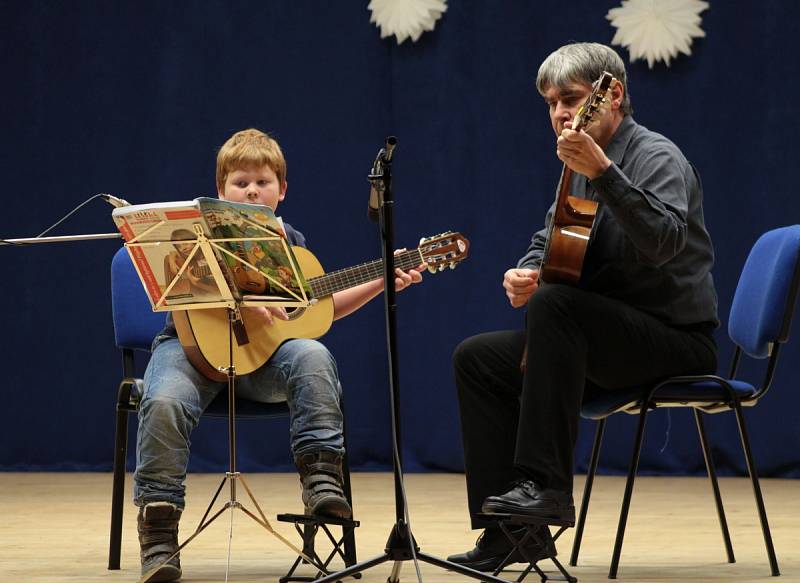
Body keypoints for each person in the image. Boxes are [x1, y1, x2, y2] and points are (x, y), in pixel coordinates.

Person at [447, 42, 719, 571]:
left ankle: (545, 489)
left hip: (674, 340)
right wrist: (526, 271)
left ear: (611, 94)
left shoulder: (655, 156)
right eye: (550, 103)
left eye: (570, 99)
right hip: (598, 339)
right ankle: (510, 535)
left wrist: (604, 174)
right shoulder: (576, 167)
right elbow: (550, 239)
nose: (559, 113)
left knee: (557, 306)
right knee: (477, 359)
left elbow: (664, 242)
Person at [134, 128, 426, 582]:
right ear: (220, 190)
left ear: (282, 190)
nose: (252, 190)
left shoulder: (290, 242)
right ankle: (158, 535)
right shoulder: (191, 236)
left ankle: (322, 481)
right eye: (240, 182)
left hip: (261, 365)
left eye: (263, 182)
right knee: (164, 401)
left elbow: (317, 309)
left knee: (311, 353)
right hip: (190, 354)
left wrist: (384, 279)